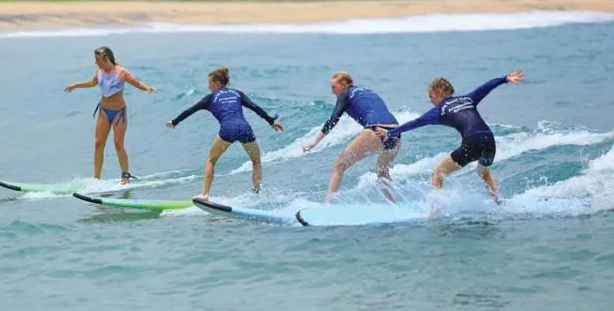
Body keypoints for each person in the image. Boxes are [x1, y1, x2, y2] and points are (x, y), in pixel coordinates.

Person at [374, 69, 525, 204]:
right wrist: (505, 78)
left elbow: (416, 123)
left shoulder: (439, 110)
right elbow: (486, 87)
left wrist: (389, 133)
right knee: (483, 172)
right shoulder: (468, 98)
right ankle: (498, 201)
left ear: (440, 92)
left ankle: (435, 210)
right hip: (489, 140)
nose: (430, 100)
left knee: (438, 172)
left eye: (431, 96)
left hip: (473, 142)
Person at [166, 67, 284, 200]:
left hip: (228, 129)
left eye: (209, 82)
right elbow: (255, 107)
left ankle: (205, 194)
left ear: (216, 83)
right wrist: (271, 122)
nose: (208, 85)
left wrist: (174, 122)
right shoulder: (237, 93)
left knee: (211, 160)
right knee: (256, 161)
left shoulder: (210, 98)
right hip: (245, 128)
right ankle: (257, 193)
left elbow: (190, 110)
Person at [302, 71, 402, 203]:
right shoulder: (367, 91)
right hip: (396, 132)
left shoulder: (345, 93)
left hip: (375, 129)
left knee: (339, 165)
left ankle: (328, 206)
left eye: (334, 87)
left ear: (343, 84)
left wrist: (315, 142)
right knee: (382, 170)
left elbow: (333, 119)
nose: (332, 92)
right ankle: (393, 204)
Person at [64, 46, 157, 184]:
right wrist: (75, 85)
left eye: (97, 59)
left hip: (119, 112)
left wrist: (147, 88)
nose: (96, 62)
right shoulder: (99, 71)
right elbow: (92, 82)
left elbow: (135, 82)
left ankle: (125, 176)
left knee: (118, 144)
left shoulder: (121, 72)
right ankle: (96, 178)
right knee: (98, 143)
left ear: (106, 58)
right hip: (103, 111)